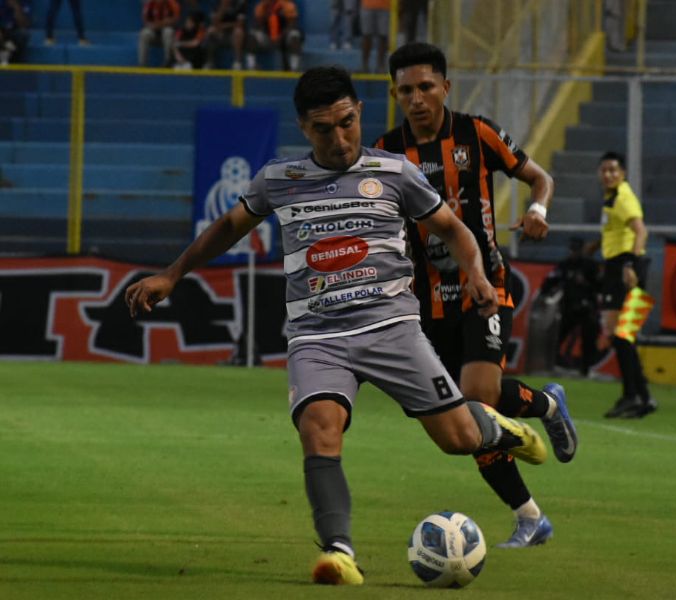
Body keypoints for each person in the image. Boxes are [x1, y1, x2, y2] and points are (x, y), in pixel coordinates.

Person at [125, 65, 565, 585]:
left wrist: (474, 273)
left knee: (458, 439)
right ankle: (339, 552)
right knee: (319, 427)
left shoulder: (395, 172)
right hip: (317, 337)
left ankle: (499, 427)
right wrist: (173, 275)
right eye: (323, 129)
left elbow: (455, 229)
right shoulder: (279, 180)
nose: (338, 138)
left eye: (347, 122)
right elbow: (227, 227)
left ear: (359, 112)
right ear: (303, 129)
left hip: (393, 328)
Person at [374, 42, 577, 548]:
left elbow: (540, 178)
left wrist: (538, 212)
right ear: (395, 95)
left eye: (426, 87)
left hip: (484, 283)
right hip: (424, 301)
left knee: (479, 397)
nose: (417, 98)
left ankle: (542, 422)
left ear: (445, 86)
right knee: (465, 417)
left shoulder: (477, 133)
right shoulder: (385, 153)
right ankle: (532, 504)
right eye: (406, 91)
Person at [593, 151, 656, 418]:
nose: (608, 174)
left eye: (613, 170)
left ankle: (636, 396)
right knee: (622, 337)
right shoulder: (613, 198)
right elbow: (619, 232)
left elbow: (641, 230)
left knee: (621, 335)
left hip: (625, 267)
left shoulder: (622, 197)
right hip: (620, 265)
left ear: (623, 173)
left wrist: (629, 264)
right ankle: (639, 396)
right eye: (604, 170)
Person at [542, 237, 600, 376]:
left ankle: (586, 369)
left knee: (589, 339)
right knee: (558, 336)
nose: (574, 253)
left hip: (587, 308)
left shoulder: (590, 265)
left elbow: (599, 285)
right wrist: (546, 293)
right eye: (572, 250)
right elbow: (550, 280)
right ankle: (553, 365)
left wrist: (586, 284)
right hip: (569, 307)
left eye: (576, 250)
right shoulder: (564, 265)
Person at [247, 0, 303, 71]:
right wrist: (266, 14)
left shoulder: (287, 5)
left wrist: (280, 37)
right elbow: (257, 25)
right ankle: (251, 66)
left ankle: (294, 68)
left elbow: (292, 24)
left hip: (284, 37)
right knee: (252, 35)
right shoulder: (262, 5)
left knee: (295, 35)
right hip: (267, 38)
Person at [205, 0, 247, 69]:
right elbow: (214, 23)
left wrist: (223, 26)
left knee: (238, 32)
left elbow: (240, 24)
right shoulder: (216, 3)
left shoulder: (240, 3)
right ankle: (209, 62)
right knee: (210, 30)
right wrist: (222, 9)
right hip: (220, 32)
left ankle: (237, 62)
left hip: (233, 33)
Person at [138, 0, 181, 67]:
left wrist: (159, 24)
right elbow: (147, 23)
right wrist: (164, 23)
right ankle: (142, 64)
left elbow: (175, 20)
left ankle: (168, 62)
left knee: (168, 31)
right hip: (154, 35)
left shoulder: (172, 3)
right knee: (144, 33)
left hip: (170, 38)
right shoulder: (150, 4)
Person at [360, 0, 389, 73]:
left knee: (383, 37)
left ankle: (381, 65)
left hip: (385, 6)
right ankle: (364, 65)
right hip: (367, 5)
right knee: (366, 36)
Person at [0, 0, 30, 66]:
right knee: (7, 44)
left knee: (23, 34)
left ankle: (12, 64)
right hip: (1, 31)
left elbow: (24, 24)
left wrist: (16, 7)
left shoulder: (24, 2)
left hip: (13, 33)